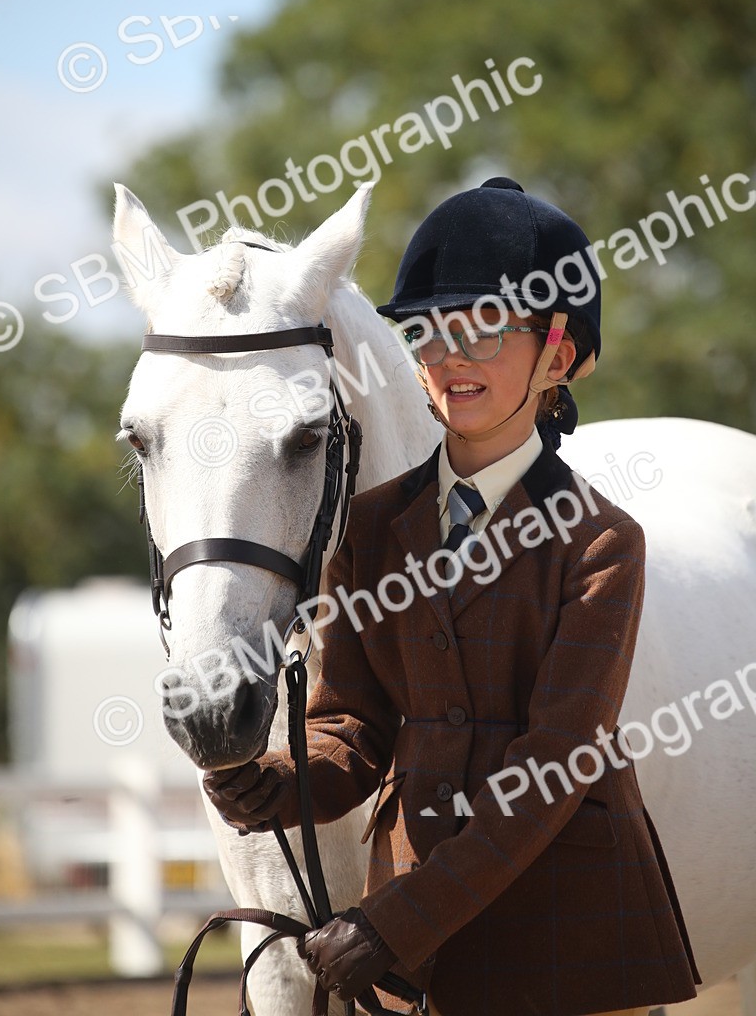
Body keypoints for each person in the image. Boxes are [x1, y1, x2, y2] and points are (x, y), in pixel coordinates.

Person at [204, 178, 702, 1016]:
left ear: (560, 355)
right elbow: (354, 727)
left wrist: (396, 922)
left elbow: (555, 763)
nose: (449, 358)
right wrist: (281, 783)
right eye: (428, 334)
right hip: (413, 937)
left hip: (566, 930)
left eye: (484, 331)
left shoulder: (603, 542)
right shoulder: (368, 527)